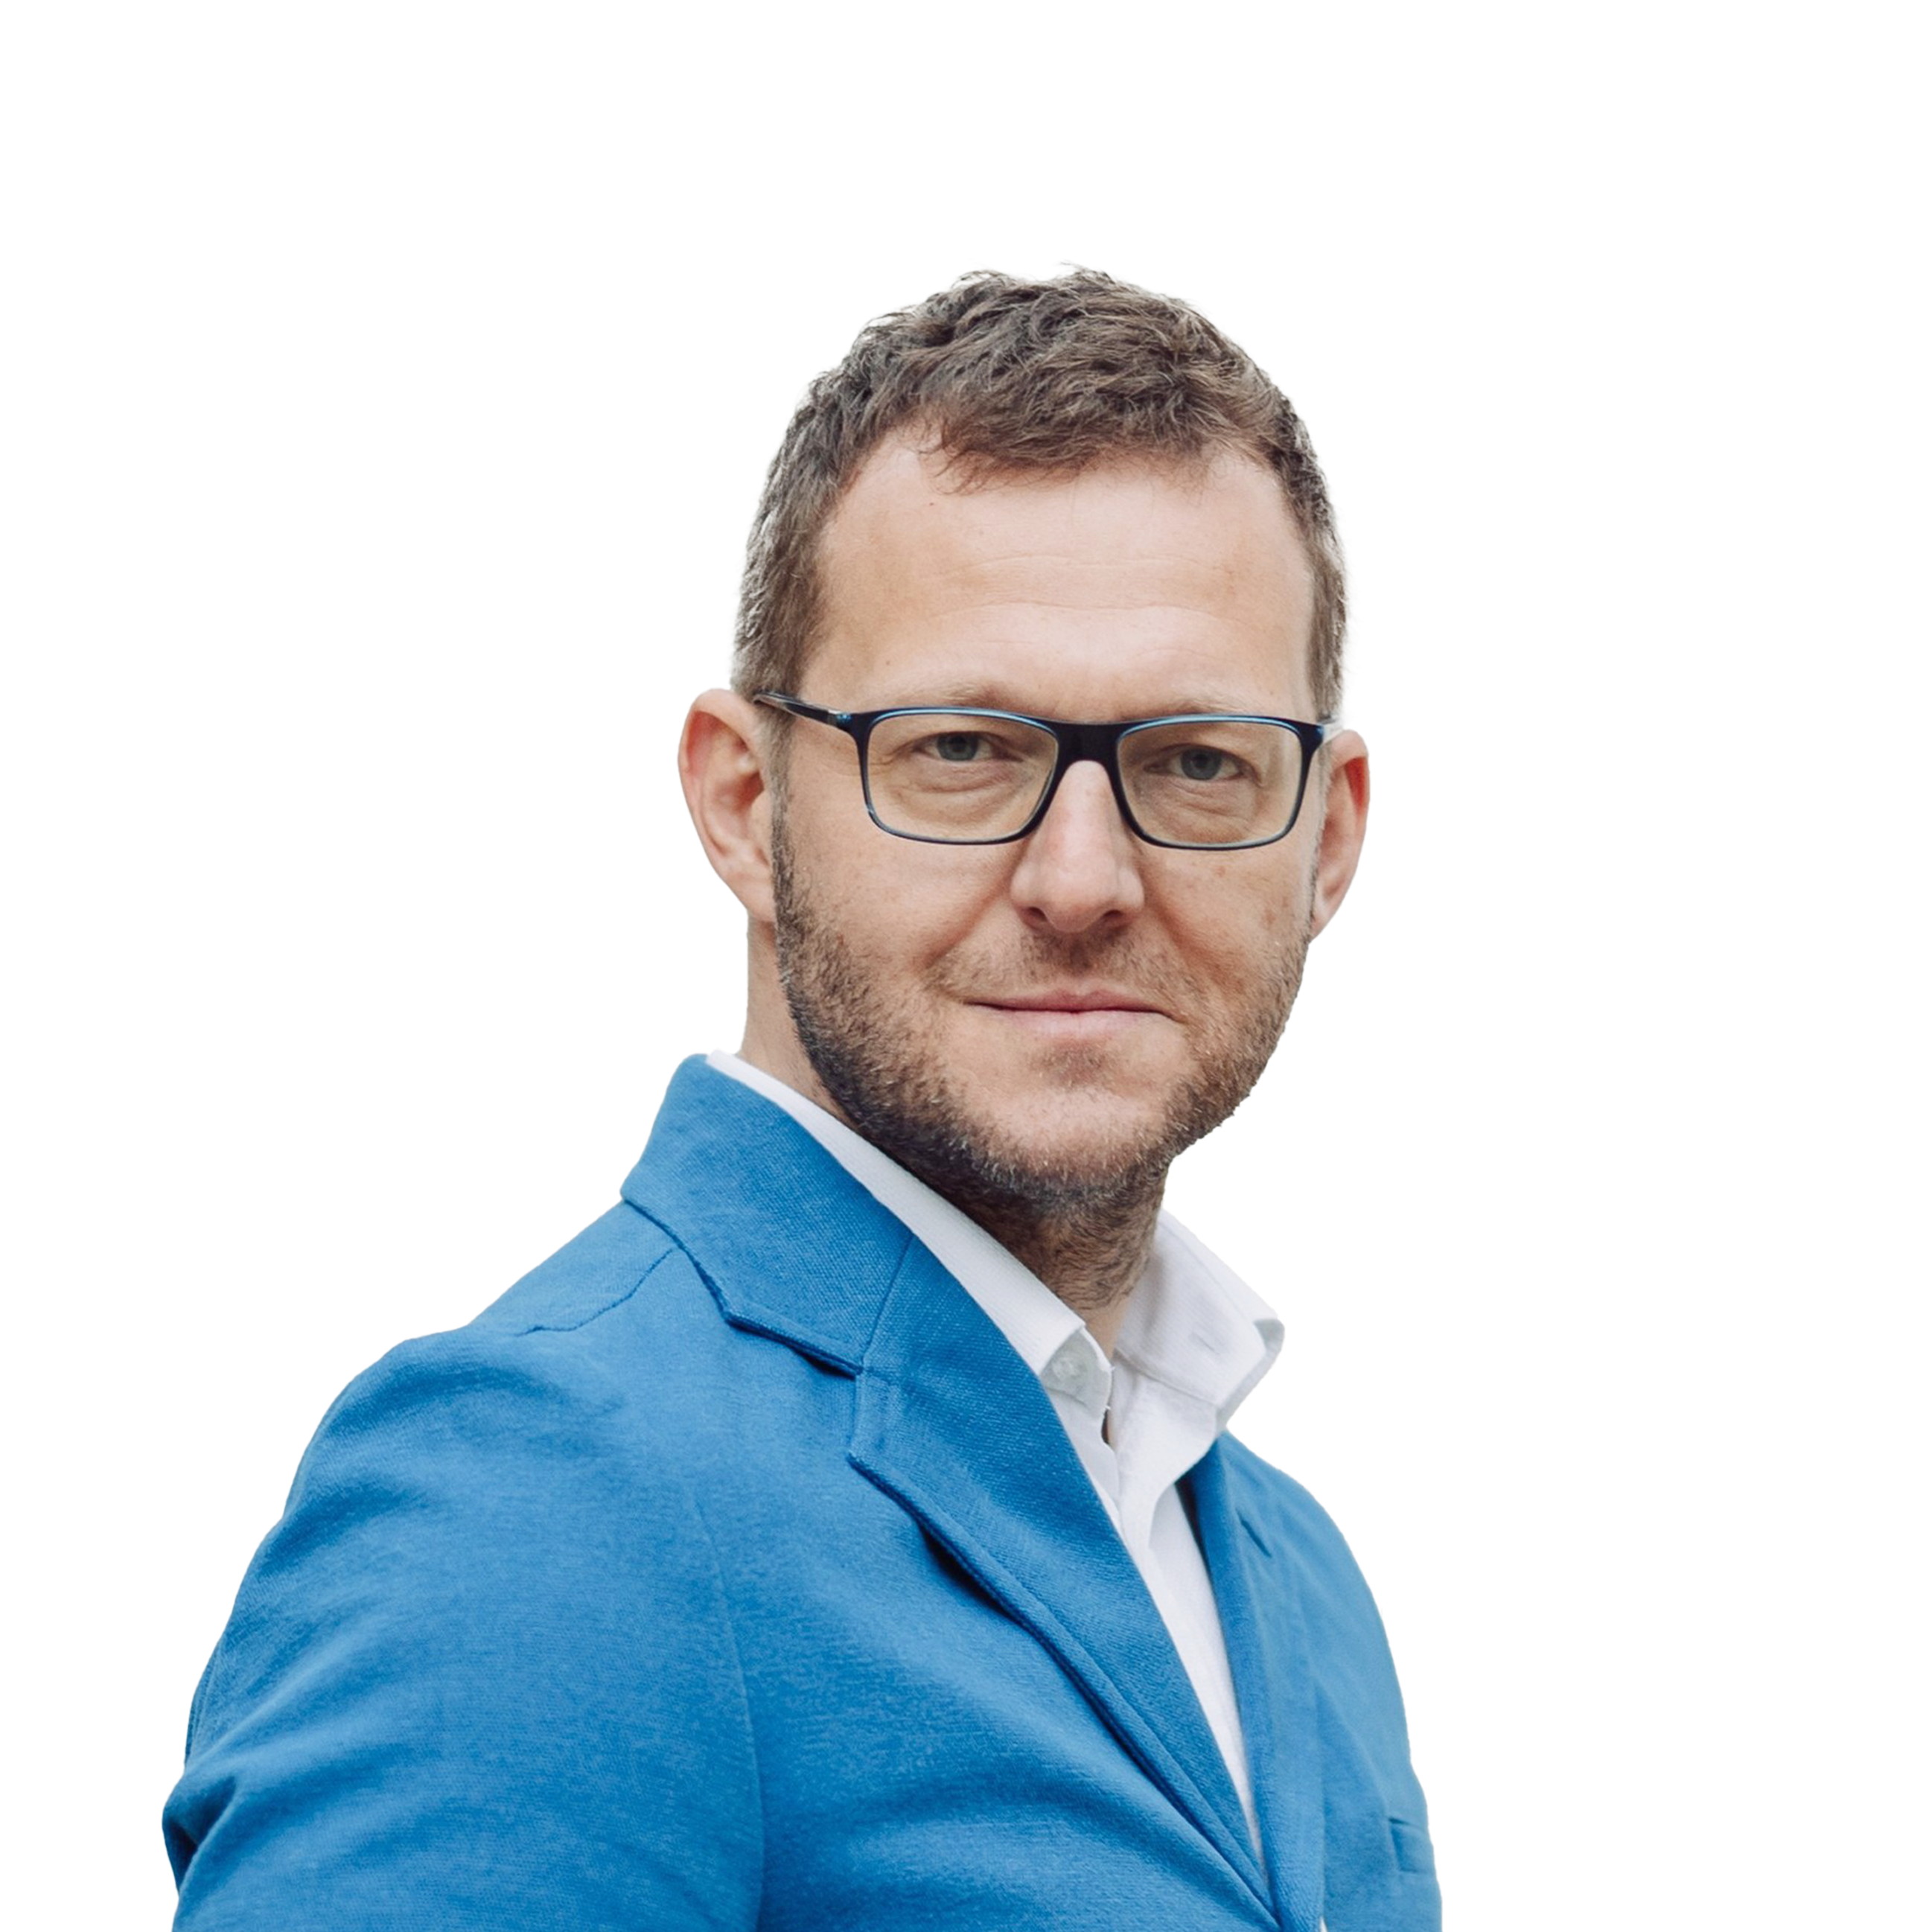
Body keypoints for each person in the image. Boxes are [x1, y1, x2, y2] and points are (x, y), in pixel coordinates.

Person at [164, 262, 1438, 1930]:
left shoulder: (1296, 1573)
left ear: (1328, 836)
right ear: (743, 803)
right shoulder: (539, 1503)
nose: (1081, 878)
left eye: (1198, 761)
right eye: (959, 750)